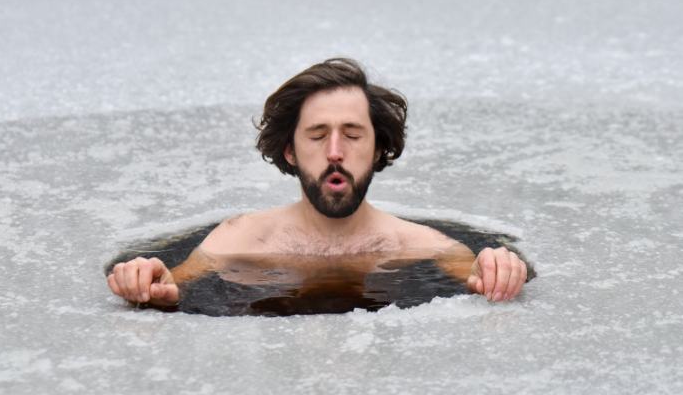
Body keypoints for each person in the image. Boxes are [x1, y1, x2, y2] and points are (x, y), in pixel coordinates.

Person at [107, 58, 528, 309]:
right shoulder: (238, 239)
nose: (334, 151)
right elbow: (171, 283)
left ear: (379, 148)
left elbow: (477, 272)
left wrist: (498, 267)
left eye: (353, 133)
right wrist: (148, 278)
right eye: (316, 135)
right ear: (290, 151)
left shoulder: (420, 244)